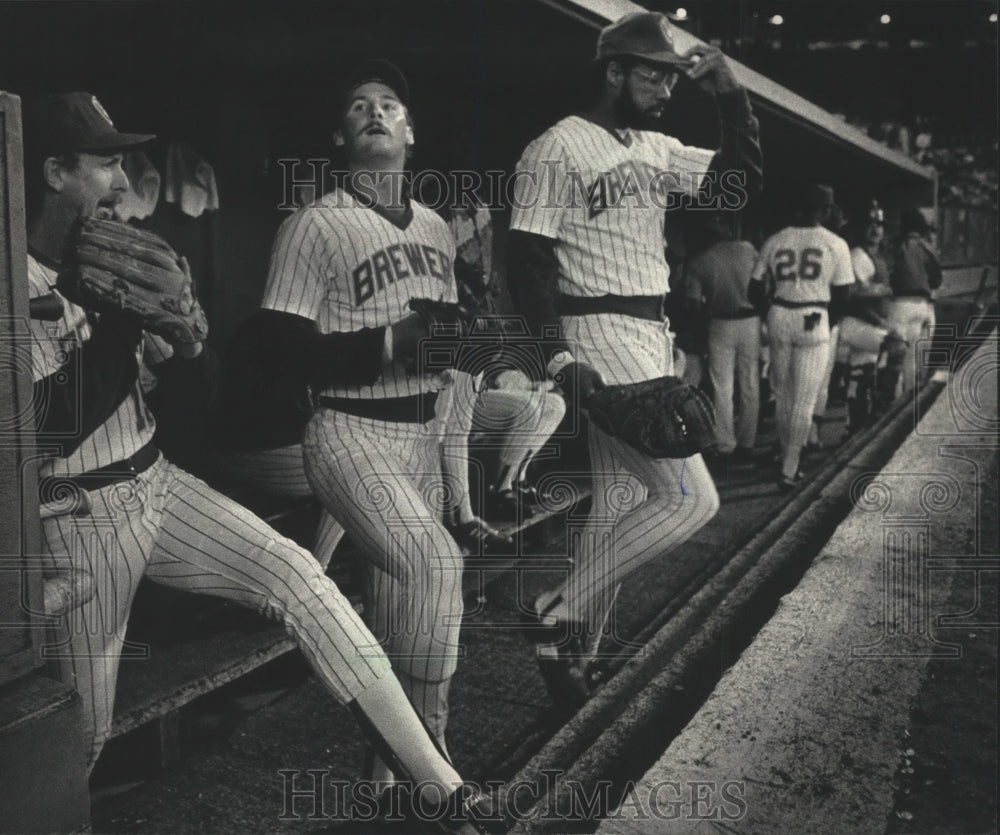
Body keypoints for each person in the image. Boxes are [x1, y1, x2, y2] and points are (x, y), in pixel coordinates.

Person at [23, 91, 489, 828]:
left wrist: (186, 342)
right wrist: (121, 323)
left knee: (302, 579)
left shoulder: (110, 256)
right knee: (78, 740)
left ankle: (442, 786)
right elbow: (41, 429)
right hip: (80, 519)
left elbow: (196, 402)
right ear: (53, 172)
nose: (121, 181)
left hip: (160, 484)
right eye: (105, 163)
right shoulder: (23, 282)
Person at [507, 11, 761, 705]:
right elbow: (526, 262)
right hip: (596, 331)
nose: (666, 87)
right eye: (654, 72)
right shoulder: (556, 147)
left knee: (618, 503)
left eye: (672, 76)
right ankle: (554, 615)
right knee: (688, 500)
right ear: (614, 71)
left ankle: (575, 656)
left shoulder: (654, 146)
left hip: (649, 331)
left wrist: (730, 96)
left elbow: (737, 185)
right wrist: (557, 360)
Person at [259, 61, 468, 792]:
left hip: (421, 432)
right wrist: (388, 343)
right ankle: (435, 767)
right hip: (348, 431)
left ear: (411, 131)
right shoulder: (311, 224)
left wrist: (462, 345)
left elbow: (443, 350)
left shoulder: (439, 227)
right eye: (358, 106)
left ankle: (382, 787)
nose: (375, 112)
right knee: (437, 568)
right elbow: (273, 355)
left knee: (398, 610)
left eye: (389, 105)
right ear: (340, 135)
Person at [748, 184, 855, 491]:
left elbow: (754, 290)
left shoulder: (776, 238)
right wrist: (825, 322)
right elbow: (843, 294)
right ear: (824, 210)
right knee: (804, 401)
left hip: (780, 312)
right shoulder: (835, 242)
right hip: (814, 315)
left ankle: (785, 457)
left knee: (783, 395)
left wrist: (773, 313)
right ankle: (789, 468)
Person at [685, 211, 760, 461]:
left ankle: (726, 444)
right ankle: (747, 443)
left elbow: (693, 305)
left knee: (722, 387)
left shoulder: (698, 262)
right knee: (749, 383)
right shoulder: (748, 250)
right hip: (750, 319)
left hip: (720, 323)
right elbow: (764, 285)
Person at [888, 207, 941, 395]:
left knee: (896, 363)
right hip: (923, 306)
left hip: (900, 304)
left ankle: (893, 407)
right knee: (915, 363)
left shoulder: (896, 245)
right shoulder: (928, 247)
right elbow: (937, 280)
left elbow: (889, 274)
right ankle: (909, 409)